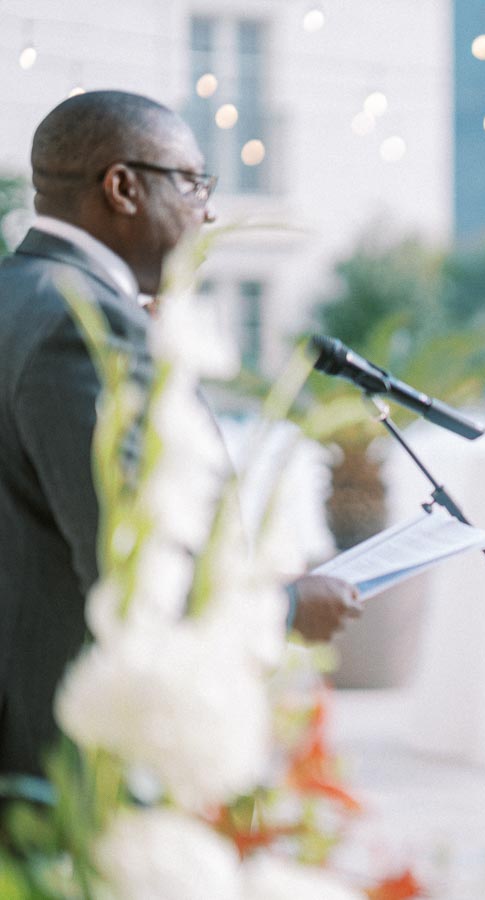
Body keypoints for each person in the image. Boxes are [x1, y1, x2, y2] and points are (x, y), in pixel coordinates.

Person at [0, 91, 357, 780]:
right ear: (123, 187)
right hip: (62, 751)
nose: (209, 210)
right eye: (193, 182)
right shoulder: (87, 324)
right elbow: (131, 560)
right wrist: (286, 606)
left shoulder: (21, 293)